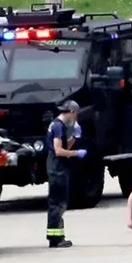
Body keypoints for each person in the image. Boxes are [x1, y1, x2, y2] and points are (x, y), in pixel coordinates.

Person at [45, 101, 86, 248]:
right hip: (57, 168)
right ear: (72, 112)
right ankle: (55, 238)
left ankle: (57, 236)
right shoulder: (58, 126)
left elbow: (64, 146)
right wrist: (76, 153)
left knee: (59, 203)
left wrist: (74, 137)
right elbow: (59, 150)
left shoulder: (58, 125)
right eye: (76, 115)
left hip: (57, 166)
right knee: (57, 204)